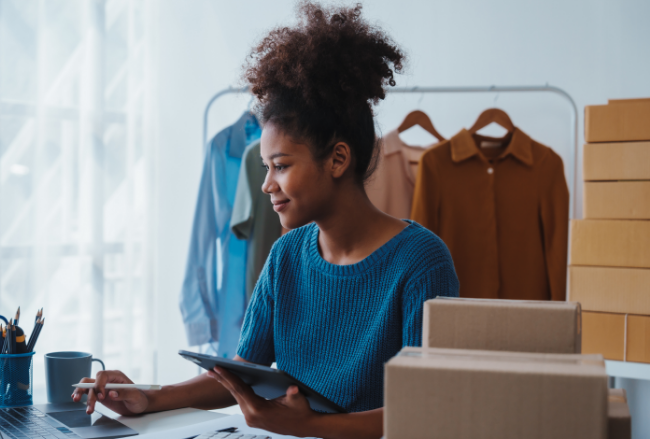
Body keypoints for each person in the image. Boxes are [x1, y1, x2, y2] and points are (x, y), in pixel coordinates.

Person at [73, 2, 459, 437]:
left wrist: (312, 427)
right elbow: (242, 370)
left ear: (337, 159)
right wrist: (150, 398)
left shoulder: (422, 263)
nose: (266, 185)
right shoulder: (287, 255)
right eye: (265, 167)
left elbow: (428, 411)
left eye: (281, 165)